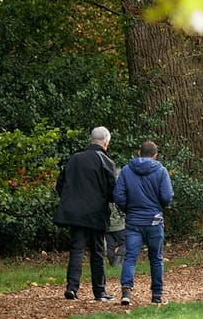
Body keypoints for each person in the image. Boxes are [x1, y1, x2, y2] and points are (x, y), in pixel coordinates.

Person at [54, 126, 117, 302]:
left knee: (77, 249)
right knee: (97, 251)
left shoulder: (74, 159)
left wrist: (71, 200)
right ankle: (99, 291)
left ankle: (72, 288)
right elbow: (113, 191)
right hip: (96, 213)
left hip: (75, 212)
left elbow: (60, 185)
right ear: (106, 142)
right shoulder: (106, 162)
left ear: (91, 140)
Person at [115, 141, 174, 306]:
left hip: (133, 220)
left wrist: (128, 209)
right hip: (154, 220)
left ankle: (126, 290)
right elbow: (167, 197)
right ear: (155, 155)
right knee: (156, 258)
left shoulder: (126, 171)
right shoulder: (161, 171)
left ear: (139, 153)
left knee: (130, 257)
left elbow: (118, 195)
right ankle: (156, 295)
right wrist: (159, 207)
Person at [105, 169, 127, 268]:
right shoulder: (118, 194)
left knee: (110, 245)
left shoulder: (103, 193)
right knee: (127, 242)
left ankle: (112, 263)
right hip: (118, 224)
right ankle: (117, 262)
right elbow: (121, 209)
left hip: (106, 224)